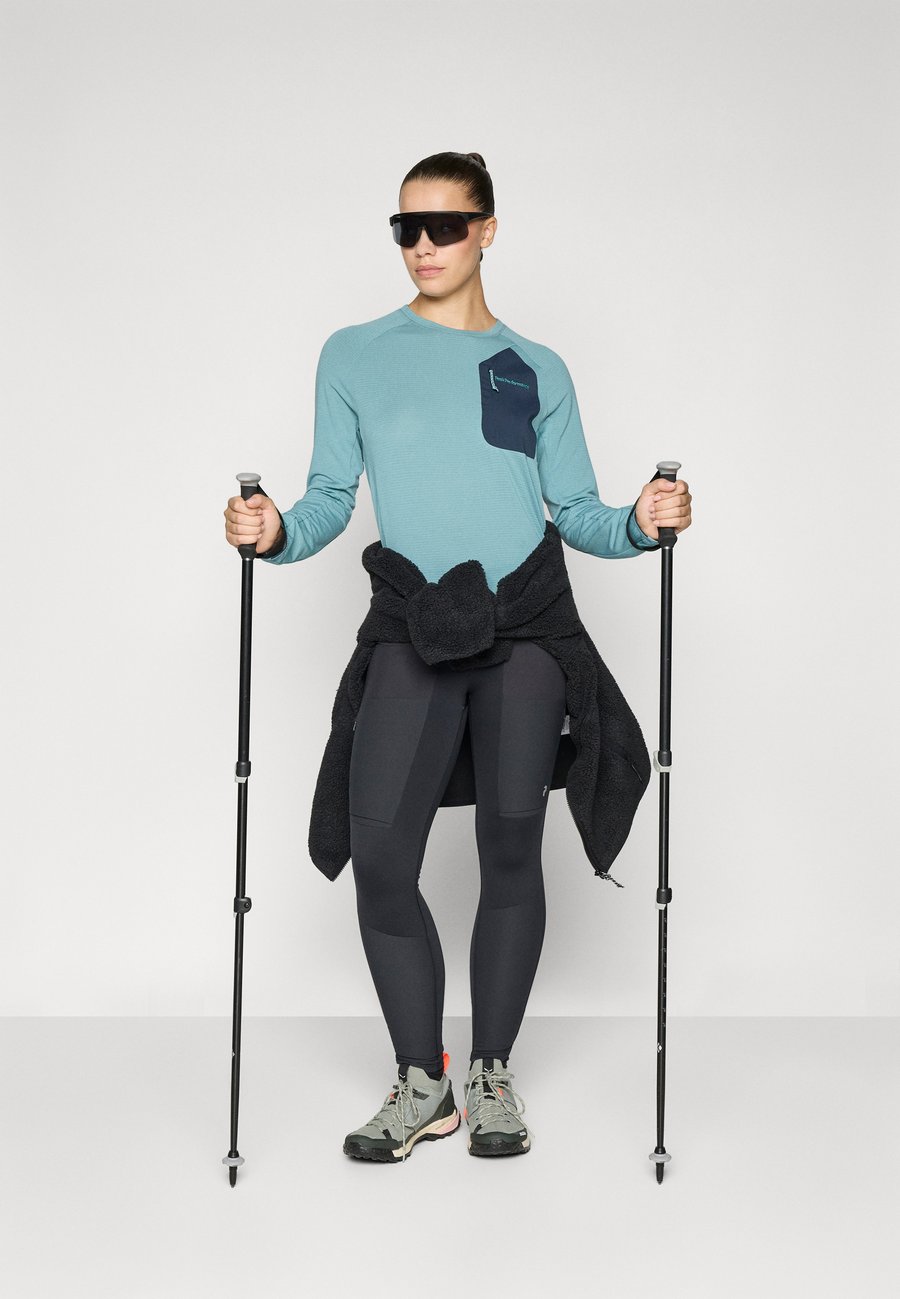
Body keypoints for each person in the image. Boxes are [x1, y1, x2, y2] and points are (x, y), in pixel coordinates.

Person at [224, 150, 693, 1163]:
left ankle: (491, 1075)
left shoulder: (537, 367)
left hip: (523, 632)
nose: (424, 246)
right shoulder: (354, 354)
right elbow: (328, 498)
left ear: (487, 230)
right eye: (407, 228)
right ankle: (421, 1082)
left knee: (512, 851)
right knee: (383, 857)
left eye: (444, 226)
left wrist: (641, 522)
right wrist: (275, 532)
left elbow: (577, 511)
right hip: (413, 626)